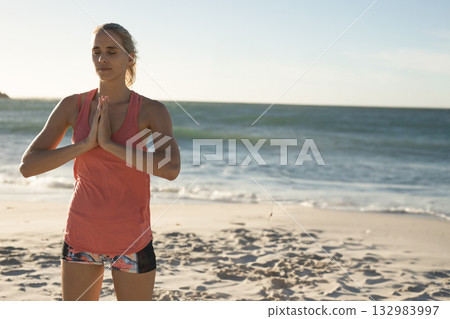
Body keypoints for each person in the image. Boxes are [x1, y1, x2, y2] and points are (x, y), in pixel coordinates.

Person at [19, 23, 180, 301]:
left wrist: (110, 145)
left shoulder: (151, 112)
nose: (102, 59)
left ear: (130, 58)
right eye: (96, 51)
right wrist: (84, 145)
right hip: (82, 236)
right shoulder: (74, 106)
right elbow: (28, 165)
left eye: (111, 52)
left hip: (132, 239)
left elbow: (170, 169)